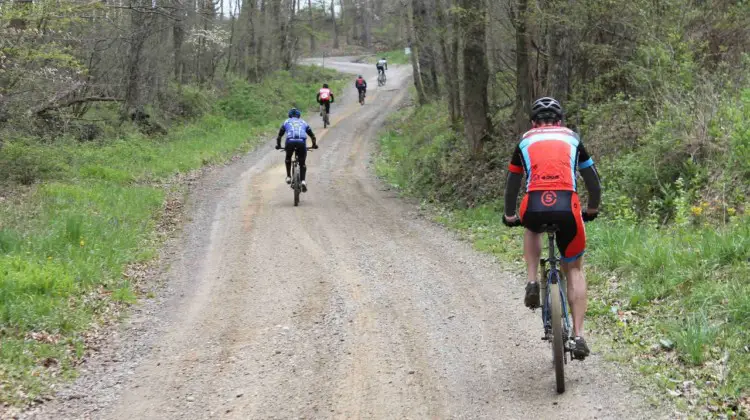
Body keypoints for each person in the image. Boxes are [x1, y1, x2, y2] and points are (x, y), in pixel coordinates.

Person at [502, 97, 602, 359]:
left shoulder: (525, 140)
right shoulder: (572, 138)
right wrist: (591, 209)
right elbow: (593, 182)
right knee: (575, 269)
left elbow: (513, 183)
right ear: (560, 121)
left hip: (535, 204)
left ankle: (532, 280)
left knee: (530, 225)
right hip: (568, 207)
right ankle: (578, 336)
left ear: (533, 122)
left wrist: (510, 214)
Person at [275, 108, 318, 192]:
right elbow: (312, 136)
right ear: (299, 115)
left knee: (288, 158)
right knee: (302, 163)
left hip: (290, 142)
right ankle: (303, 181)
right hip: (301, 142)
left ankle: (288, 177)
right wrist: (314, 145)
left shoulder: (286, 122)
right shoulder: (303, 122)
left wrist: (278, 145)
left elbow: (279, 136)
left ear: (289, 115)